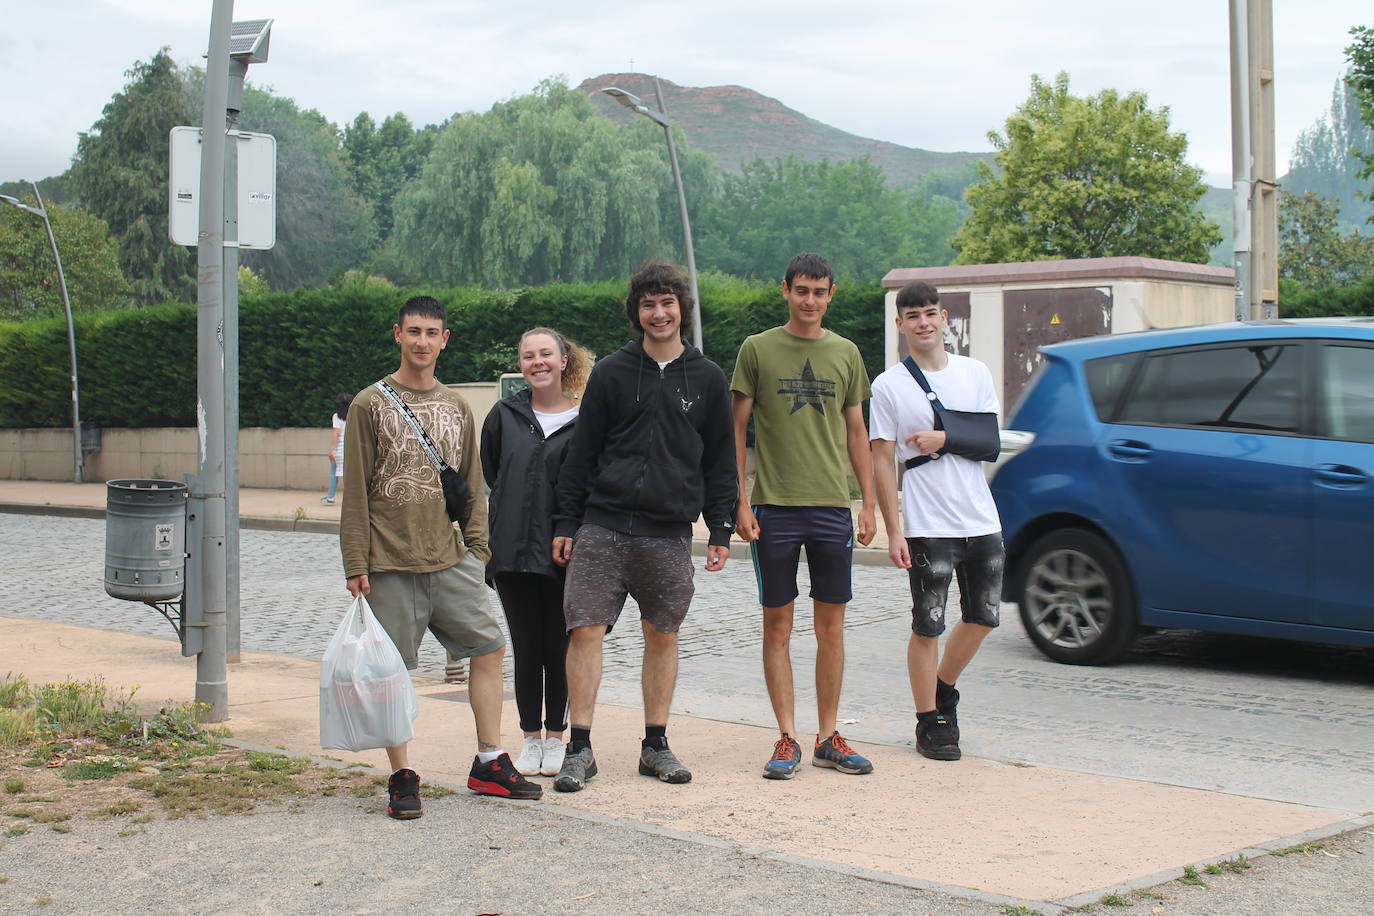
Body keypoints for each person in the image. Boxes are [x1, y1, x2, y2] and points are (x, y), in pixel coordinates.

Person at [340, 295, 540, 819]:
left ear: (444, 339)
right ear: (397, 335)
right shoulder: (370, 404)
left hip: (451, 560)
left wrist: (478, 551)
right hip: (388, 561)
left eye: (432, 332)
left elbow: (473, 483)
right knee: (393, 673)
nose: (422, 341)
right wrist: (355, 563)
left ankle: (489, 760)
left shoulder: (455, 407)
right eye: (413, 332)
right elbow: (356, 491)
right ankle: (402, 774)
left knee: (490, 647)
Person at [550, 260, 737, 793]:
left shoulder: (707, 378)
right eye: (648, 304)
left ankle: (655, 745)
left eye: (667, 303)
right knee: (584, 630)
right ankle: (579, 749)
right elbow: (581, 456)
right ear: (637, 312)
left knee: (663, 633)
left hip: (669, 532)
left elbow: (720, 461)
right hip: (602, 527)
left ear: (682, 309)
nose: (658, 313)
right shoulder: (611, 372)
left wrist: (720, 529)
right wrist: (568, 521)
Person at [731, 252, 877, 781]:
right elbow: (736, 432)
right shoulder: (757, 349)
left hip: (832, 509)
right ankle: (787, 736)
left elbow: (857, 432)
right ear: (785, 291)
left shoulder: (847, 353)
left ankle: (828, 735)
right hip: (773, 509)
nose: (809, 300)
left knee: (831, 627)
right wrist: (740, 502)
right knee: (778, 623)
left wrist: (868, 504)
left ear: (831, 293)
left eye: (818, 292)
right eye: (800, 291)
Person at [870, 281, 1004, 762]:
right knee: (928, 624)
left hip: (980, 516)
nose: (923, 322)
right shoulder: (888, 386)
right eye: (913, 315)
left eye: (931, 313)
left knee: (984, 617)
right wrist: (894, 527)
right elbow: (883, 461)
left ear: (944, 318)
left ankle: (944, 687)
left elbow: (989, 439)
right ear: (900, 323)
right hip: (927, 522)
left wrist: (943, 438)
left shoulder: (974, 372)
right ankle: (931, 721)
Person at [480, 327, 592, 779]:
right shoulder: (503, 415)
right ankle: (530, 738)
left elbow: (585, 484)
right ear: (521, 364)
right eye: (529, 356)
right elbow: (491, 472)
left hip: (563, 552)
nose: (538, 362)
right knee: (526, 646)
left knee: (559, 646)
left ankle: (556, 739)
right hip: (511, 552)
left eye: (546, 353)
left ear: (565, 360)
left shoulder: (584, 422)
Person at [321, 392, 352, 505]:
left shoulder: (336, 417)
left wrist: (331, 450)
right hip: (351, 449)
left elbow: (336, 434)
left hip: (339, 450)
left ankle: (330, 498)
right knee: (351, 476)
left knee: (334, 473)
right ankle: (351, 499)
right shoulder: (354, 415)